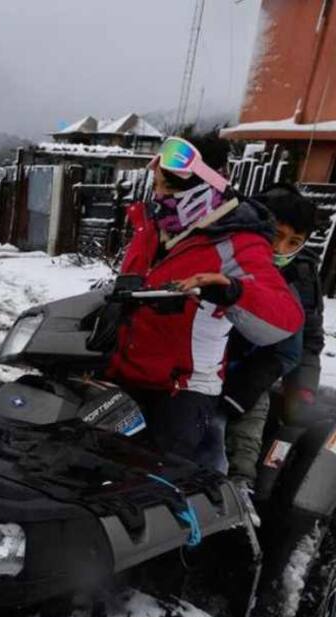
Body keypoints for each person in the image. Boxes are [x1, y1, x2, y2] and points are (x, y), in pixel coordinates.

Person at [105, 137, 305, 471]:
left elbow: (284, 319)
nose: (159, 196)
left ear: (205, 186)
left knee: (152, 485)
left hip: (182, 392)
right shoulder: (154, 230)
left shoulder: (237, 241)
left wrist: (234, 291)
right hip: (124, 376)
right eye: (156, 186)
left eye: (168, 188)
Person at [222, 183, 324, 483]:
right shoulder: (227, 254)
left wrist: (303, 390)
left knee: (250, 416)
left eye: (293, 242)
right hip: (199, 361)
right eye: (277, 235)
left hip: (255, 366)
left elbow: (307, 340)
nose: (281, 249)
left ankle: (242, 485)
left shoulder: (300, 277)